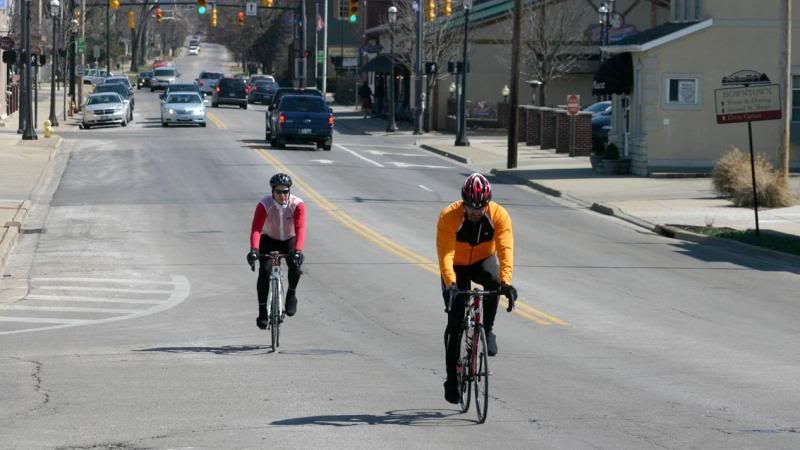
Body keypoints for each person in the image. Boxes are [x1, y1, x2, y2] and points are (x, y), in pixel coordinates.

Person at [436, 173, 518, 404]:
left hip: (482, 260)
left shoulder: (499, 215)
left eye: (480, 207)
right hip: (456, 267)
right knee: (455, 323)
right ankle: (452, 379)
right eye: (471, 207)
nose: (475, 212)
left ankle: (488, 329)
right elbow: (446, 253)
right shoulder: (449, 216)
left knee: (493, 284)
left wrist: (506, 282)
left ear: (487, 204)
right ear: (463, 202)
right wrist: (450, 284)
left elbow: (505, 249)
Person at [247, 173, 306, 329]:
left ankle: (291, 294)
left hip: (289, 239)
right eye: (279, 191)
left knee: (295, 266)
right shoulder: (264, 204)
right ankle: (262, 311)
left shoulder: (297, 204)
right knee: (265, 271)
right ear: (272, 192)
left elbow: (300, 228)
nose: (282, 195)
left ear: (289, 191)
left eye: (285, 191)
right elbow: (256, 229)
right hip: (269, 239)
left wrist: (298, 250)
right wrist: (254, 250)